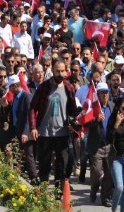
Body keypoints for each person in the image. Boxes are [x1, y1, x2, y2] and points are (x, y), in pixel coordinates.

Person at [29, 60, 78, 188]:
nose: (60, 74)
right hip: (45, 133)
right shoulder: (44, 87)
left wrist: (74, 123)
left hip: (62, 133)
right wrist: (33, 127)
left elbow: (73, 110)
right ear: (52, 70)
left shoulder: (69, 88)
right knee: (44, 166)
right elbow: (33, 108)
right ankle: (43, 194)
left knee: (62, 166)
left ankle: (58, 195)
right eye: (57, 71)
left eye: (62, 71)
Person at [86, 82, 115, 207]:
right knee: (97, 172)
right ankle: (94, 188)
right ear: (97, 94)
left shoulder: (112, 106)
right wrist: (95, 120)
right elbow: (85, 123)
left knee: (109, 174)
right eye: (102, 93)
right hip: (96, 146)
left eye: (106, 92)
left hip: (109, 145)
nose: (105, 95)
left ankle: (106, 198)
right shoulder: (93, 108)